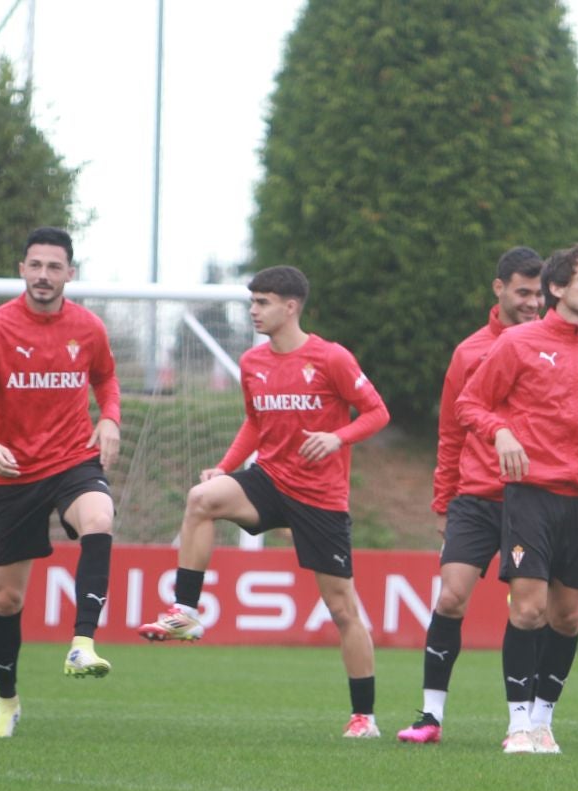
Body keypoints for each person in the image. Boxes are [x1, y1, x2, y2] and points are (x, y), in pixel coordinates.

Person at [139, 265, 391, 738]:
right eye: (252, 301)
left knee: (343, 610)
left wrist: (337, 438)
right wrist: (224, 464)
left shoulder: (331, 358)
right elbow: (254, 424)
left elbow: (377, 412)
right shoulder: (253, 362)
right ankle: (187, 612)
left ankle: (364, 717)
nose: (253, 310)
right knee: (201, 499)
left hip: (320, 496)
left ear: (291, 306)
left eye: (263, 302)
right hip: (270, 479)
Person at [456, 243, 578, 754]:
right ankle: (517, 725)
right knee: (528, 610)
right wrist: (500, 432)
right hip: (529, 496)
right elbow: (470, 403)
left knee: (566, 617)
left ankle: (544, 723)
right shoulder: (519, 343)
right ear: (558, 288)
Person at [0, 227, 122, 738]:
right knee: (5, 600)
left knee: (100, 517)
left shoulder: (88, 328)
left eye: (54, 267)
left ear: (70, 273)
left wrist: (109, 418)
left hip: (73, 460)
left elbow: (106, 379)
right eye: (35, 266)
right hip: (13, 474)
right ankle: (7, 701)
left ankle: (83, 643)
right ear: (21, 269)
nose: (44, 276)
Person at [398, 246, 546, 744]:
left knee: (532, 611)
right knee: (452, 597)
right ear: (498, 288)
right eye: (522, 291)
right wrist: (443, 501)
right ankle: (430, 716)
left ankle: (522, 722)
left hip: (533, 500)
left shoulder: (554, 349)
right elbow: (451, 431)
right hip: (475, 499)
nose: (532, 302)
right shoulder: (470, 352)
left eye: (539, 293)